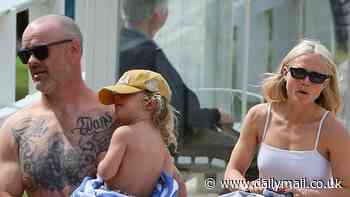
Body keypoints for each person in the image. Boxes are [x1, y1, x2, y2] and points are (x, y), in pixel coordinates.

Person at [0, 15, 117, 196]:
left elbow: (166, 181)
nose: (31, 61)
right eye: (25, 55)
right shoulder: (16, 128)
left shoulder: (116, 117)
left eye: (40, 52)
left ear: (74, 49)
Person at [224, 39, 350, 196]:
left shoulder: (333, 129)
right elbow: (232, 171)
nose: (306, 82)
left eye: (316, 77)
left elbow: (347, 189)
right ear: (285, 72)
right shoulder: (258, 116)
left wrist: (305, 193)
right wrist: (247, 188)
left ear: (324, 84)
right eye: (299, 72)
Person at [118, 0, 234, 146]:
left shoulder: (113, 47)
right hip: (150, 142)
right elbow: (180, 114)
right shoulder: (149, 54)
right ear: (158, 16)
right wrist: (215, 115)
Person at [93, 69, 181, 196]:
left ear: (150, 104)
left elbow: (106, 173)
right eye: (116, 93)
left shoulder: (124, 134)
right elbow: (166, 185)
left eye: (125, 93)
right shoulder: (163, 147)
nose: (116, 97)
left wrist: (101, 160)